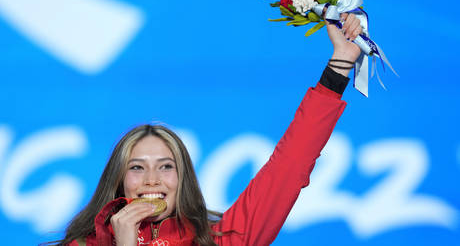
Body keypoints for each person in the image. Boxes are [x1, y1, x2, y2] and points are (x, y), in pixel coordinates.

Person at [52, 13, 363, 246]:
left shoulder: (221, 240)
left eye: (165, 166)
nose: (151, 180)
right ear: (118, 180)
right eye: (137, 167)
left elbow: (289, 167)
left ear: (183, 177)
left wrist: (340, 63)